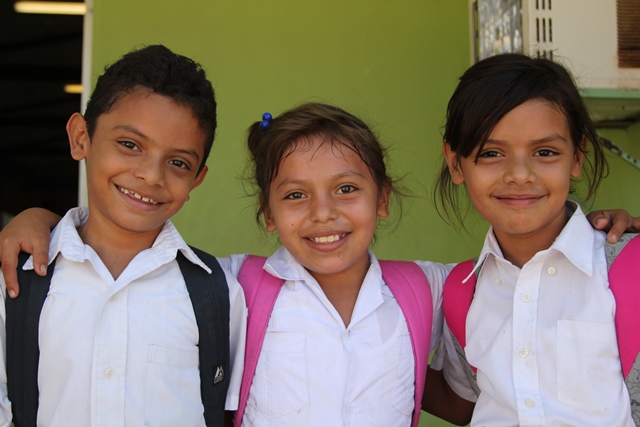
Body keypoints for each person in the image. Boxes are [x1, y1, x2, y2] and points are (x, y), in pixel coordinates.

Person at [0, 100, 636, 426]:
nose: (324, 215)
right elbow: (132, 256)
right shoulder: (230, 286)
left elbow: (493, 370)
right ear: (268, 214)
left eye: (347, 189)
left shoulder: (432, 289)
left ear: (382, 199)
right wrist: (43, 221)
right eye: (295, 196)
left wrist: (597, 228)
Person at [0, 45, 247, 427]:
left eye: (178, 162)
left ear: (197, 179)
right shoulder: (17, 281)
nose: (151, 175)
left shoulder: (219, 294)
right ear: (80, 137)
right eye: (130, 145)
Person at [431, 53, 640, 426]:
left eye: (545, 152)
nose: (520, 174)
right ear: (454, 161)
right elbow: (462, 402)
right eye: (491, 153)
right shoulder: (464, 293)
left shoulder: (629, 268)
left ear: (577, 157)